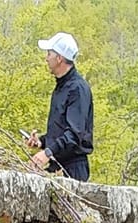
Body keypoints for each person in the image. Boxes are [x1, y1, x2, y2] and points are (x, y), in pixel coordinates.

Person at [29, 33, 93, 182]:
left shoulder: (77, 89)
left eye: (49, 53)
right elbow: (62, 131)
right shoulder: (62, 87)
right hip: (58, 165)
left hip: (73, 168)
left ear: (59, 58)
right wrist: (42, 142)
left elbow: (74, 135)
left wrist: (47, 152)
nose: (46, 58)